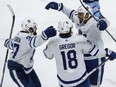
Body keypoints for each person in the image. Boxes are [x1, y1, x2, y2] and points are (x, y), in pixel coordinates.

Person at [44, 2, 109, 87]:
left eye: (80, 15)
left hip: (96, 58)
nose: (78, 16)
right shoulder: (80, 18)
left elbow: (104, 21)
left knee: (94, 84)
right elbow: (71, 13)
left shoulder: (95, 22)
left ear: (87, 15)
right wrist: (60, 7)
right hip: (82, 57)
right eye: (79, 14)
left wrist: (104, 23)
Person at [4, 18, 56, 87]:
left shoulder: (19, 35)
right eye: (33, 28)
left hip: (27, 68)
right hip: (17, 70)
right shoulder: (26, 38)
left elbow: (10, 44)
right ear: (28, 28)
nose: (35, 30)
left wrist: (7, 42)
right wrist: (45, 34)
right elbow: (35, 41)